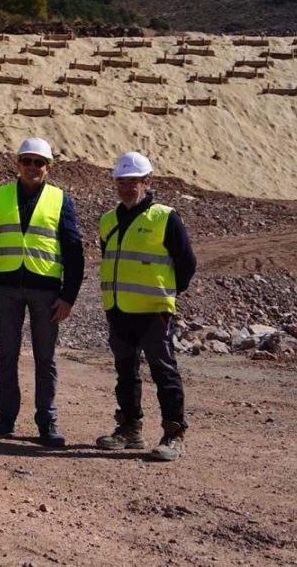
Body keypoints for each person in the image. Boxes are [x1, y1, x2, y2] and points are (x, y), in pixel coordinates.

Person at [0, 137, 83, 448]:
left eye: (39, 162)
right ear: (17, 164)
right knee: (6, 356)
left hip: (45, 293)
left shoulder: (61, 200)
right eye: (27, 161)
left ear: (49, 167)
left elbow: (74, 252)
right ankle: (5, 418)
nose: (32, 167)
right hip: (5, 289)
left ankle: (46, 421)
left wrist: (68, 297)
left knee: (44, 358)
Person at [94, 151, 198, 462]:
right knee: (125, 372)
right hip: (118, 309)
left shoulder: (165, 217)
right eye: (121, 182)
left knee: (163, 372)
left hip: (153, 311)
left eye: (133, 182)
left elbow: (187, 263)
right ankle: (130, 429)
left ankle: (174, 434)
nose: (126, 187)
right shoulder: (108, 220)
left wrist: (168, 294)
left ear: (147, 182)